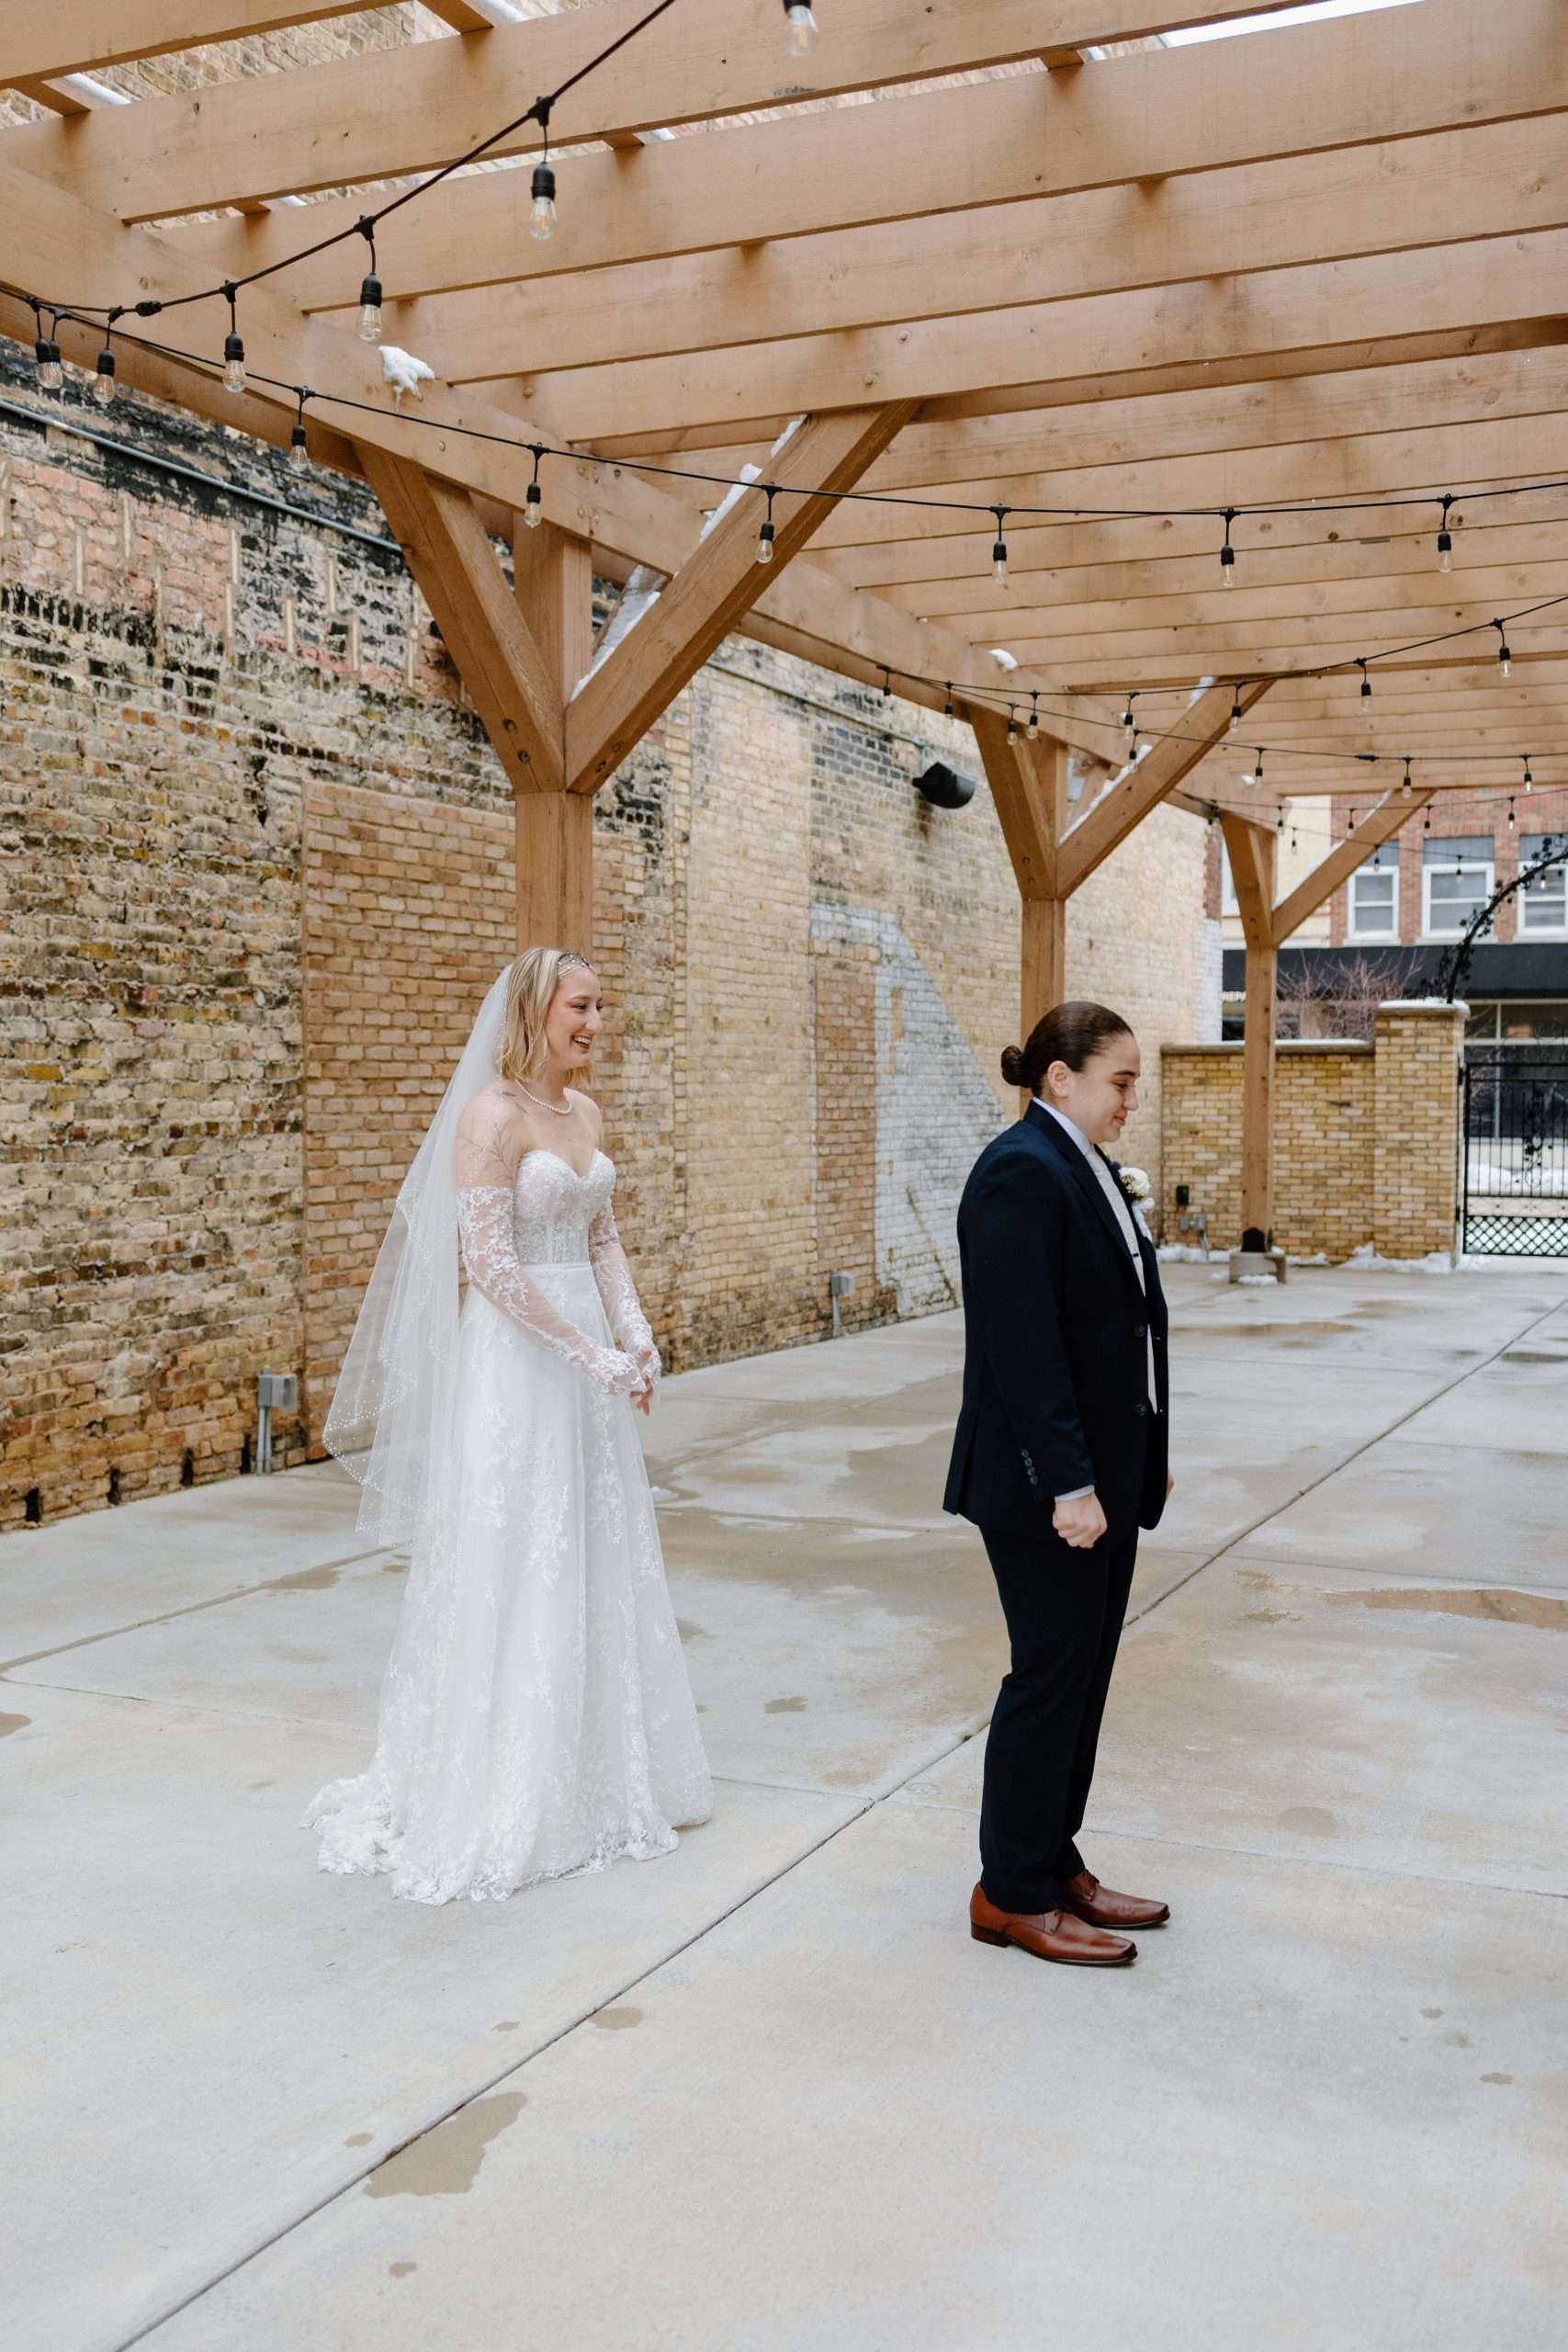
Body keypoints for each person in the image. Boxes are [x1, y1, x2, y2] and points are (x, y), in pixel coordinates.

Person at [303, 948, 712, 1904]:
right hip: (521, 1363)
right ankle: (505, 1783)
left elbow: (601, 1235)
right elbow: (485, 1262)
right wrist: (588, 1350)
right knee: (520, 1547)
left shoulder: (587, 1117)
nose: (597, 1022)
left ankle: (604, 1768)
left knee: (592, 1548)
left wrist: (639, 1334)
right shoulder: (489, 1118)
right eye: (583, 1005)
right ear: (536, 1009)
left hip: (586, 1366)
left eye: (603, 1005)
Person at [944, 1001, 1173, 1968]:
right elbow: (1024, 1348)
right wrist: (1070, 1482)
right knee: (1047, 1673)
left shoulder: (1079, 1164)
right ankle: (1010, 1891)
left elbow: (1121, 1323)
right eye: (1119, 1080)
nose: (1131, 1098)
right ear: (1059, 1077)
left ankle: (1053, 1855)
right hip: (1048, 1487)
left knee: (1083, 1672)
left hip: (1105, 1476)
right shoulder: (1019, 1172)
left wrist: (1143, 1451)